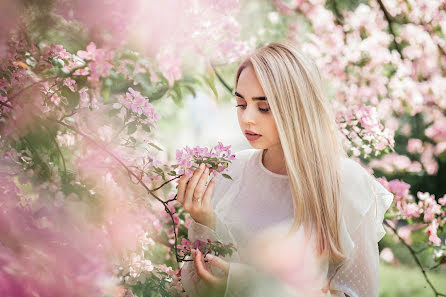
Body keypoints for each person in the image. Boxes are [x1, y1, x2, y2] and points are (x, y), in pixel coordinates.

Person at [176, 40, 394, 297]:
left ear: (296, 107)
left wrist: (250, 283)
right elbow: (196, 289)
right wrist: (204, 221)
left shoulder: (345, 182)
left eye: (264, 107)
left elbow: (358, 293)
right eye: (241, 104)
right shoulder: (229, 173)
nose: (247, 118)